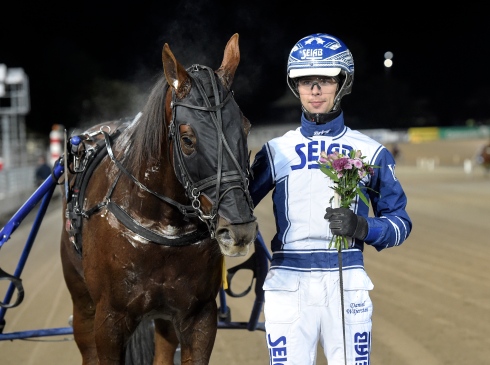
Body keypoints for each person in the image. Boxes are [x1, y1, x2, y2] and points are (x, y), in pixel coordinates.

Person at [248, 33, 412, 364]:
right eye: (306, 80)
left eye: (325, 79)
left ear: (342, 82)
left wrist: (362, 227)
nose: (315, 90)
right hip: (287, 282)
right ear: (296, 86)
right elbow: (234, 206)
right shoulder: (275, 150)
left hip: (346, 280)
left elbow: (400, 222)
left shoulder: (371, 151)